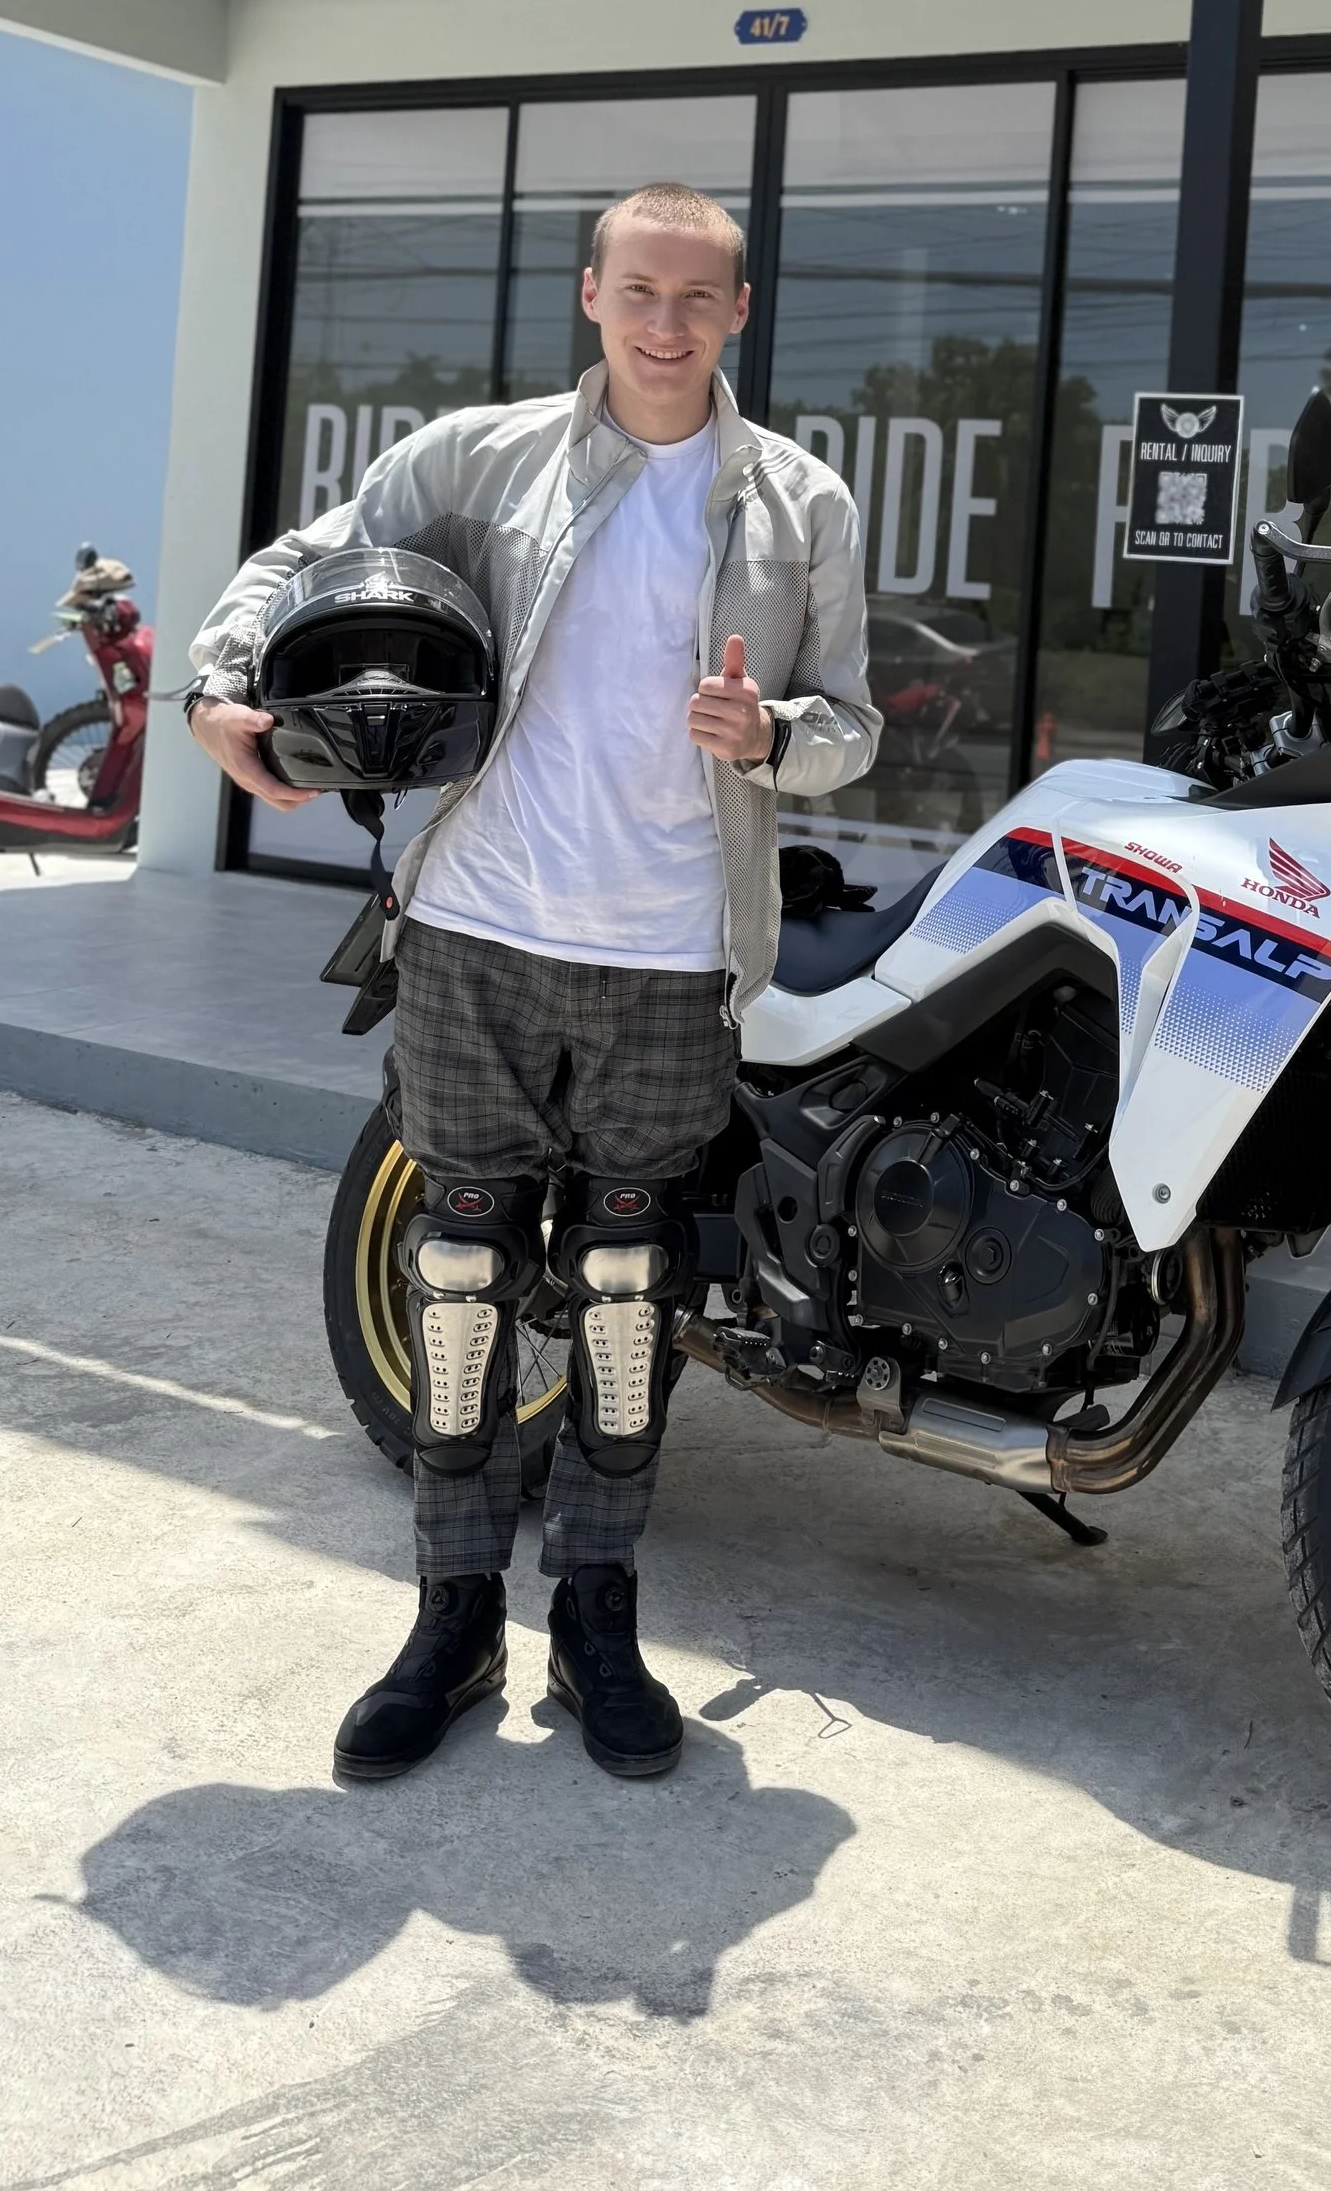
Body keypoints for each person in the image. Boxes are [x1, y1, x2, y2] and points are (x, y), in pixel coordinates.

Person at [185, 182, 877, 1783]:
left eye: (699, 299)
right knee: (459, 1282)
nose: (665, 324)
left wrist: (775, 738)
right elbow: (313, 558)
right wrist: (225, 690)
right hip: (479, 932)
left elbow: (851, 723)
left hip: (669, 954)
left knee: (630, 1297)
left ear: (740, 314)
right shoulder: (480, 459)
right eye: (641, 291)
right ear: (592, 294)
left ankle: (599, 1622)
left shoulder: (801, 506)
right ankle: (448, 1617)